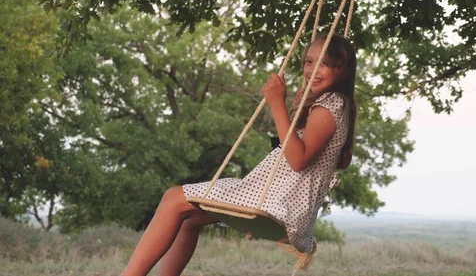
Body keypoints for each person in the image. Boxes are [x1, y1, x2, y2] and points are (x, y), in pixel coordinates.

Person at [121, 34, 357, 276]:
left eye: (325, 64)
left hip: (280, 207)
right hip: (279, 202)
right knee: (187, 219)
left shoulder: (332, 104)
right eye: (309, 61)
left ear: (343, 70)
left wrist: (276, 104)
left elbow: (298, 160)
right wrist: (295, 109)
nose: (313, 69)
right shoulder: (332, 104)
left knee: (173, 198)